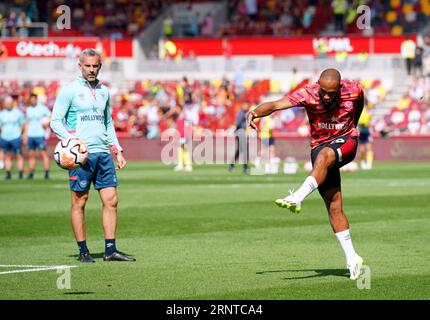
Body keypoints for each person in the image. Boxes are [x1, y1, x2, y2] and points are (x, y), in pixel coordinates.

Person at [247, 69, 364, 280]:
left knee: (326, 155)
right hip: (319, 146)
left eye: (332, 93)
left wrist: (353, 126)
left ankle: (297, 197)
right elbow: (275, 105)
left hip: (347, 140)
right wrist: (255, 112)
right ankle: (352, 257)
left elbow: (360, 103)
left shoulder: (353, 90)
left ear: (339, 88)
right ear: (318, 85)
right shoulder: (307, 93)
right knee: (334, 206)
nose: (327, 97)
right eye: (324, 92)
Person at [50, 48, 135, 263]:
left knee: (112, 200)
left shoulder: (105, 91)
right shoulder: (70, 90)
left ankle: (110, 250)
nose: (91, 70)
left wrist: (117, 149)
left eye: (95, 66)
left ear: (100, 66)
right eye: (87, 66)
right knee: (80, 201)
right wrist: (72, 142)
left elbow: (108, 123)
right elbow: (55, 121)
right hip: (80, 157)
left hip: (103, 153)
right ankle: (83, 251)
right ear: (80, 66)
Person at [24, 93, 51, 179]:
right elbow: (27, 122)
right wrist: (25, 134)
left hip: (40, 134)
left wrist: (47, 123)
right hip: (31, 135)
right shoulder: (28, 109)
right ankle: (31, 172)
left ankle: (46, 172)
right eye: (31, 100)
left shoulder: (43, 108)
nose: (32, 101)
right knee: (31, 155)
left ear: (36, 100)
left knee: (43, 154)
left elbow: (50, 116)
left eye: (34, 99)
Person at [0, 96, 25, 179]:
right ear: (4, 104)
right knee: (7, 155)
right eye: (6, 103)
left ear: (12, 103)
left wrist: (20, 134)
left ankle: (21, 173)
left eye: (9, 103)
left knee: (19, 155)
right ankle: (8, 173)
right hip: (5, 137)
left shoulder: (18, 113)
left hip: (16, 137)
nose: (8, 105)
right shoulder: (2, 113)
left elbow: (23, 124)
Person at [228, 101, 250, 174]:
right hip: (240, 132)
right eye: (246, 105)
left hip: (241, 132)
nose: (247, 107)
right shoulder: (241, 113)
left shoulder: (244, 112)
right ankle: (245, 167)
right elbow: (237, 123)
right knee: (244, 150)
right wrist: (234, 130)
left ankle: (232, 165)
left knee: (239, 150)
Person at [358, 103, 373, 170]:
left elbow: (370, 123)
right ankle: (362, 162)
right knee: (361, 150)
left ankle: (369, 163)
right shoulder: (359, 111)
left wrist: (367, 123)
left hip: (367, 132)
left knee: (369, 148)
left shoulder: (368, 113)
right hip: (360, 132)